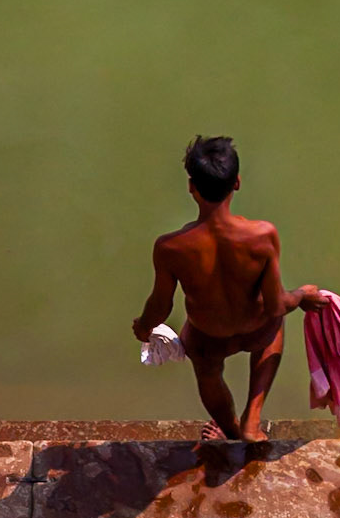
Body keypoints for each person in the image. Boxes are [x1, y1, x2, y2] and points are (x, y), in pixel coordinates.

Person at [132, 135, 329, 443]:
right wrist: (302, 295)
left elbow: (161, 305)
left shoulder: (171, 247)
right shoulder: (262, 235)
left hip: (208, 336)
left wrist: (144, 328)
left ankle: (232, 430)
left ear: (191, 187)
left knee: (207, 370)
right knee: (274, 323)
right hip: (256, 327)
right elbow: (277, 305)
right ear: (236, 183)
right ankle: (252, 418)